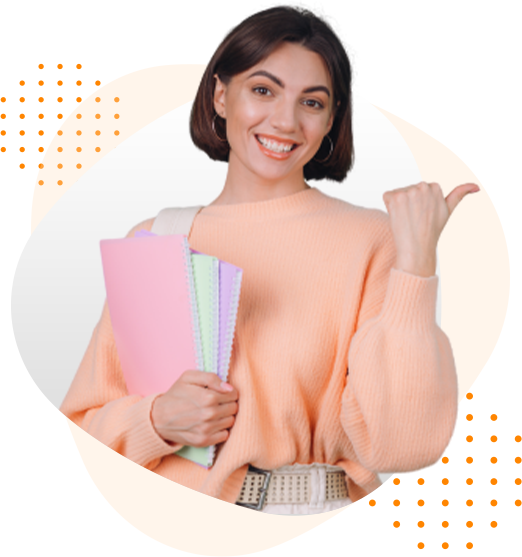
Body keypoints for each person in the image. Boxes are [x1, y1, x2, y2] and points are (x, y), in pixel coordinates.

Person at [60, 5, 479, 515]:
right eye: (263, 89)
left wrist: (416, 265)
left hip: (313, 519)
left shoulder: (374, 240)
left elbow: (402, 444)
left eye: (312, 101)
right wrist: (156, 421)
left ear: (330, 120)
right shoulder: (159, 239)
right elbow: (80, 435)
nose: (285, 120)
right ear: (220, 94)